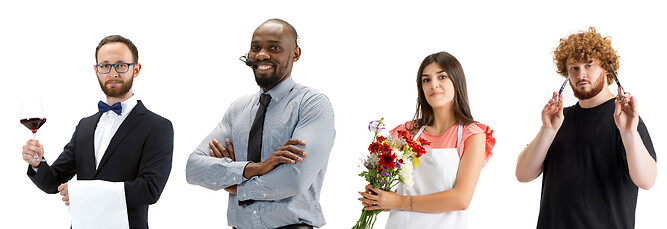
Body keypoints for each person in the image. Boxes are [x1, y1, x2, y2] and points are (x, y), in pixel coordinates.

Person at [185, 18, 335, 229]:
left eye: (274, 47)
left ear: (295, 54)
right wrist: (255, 168)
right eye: (256, 48)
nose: (262, 55)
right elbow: (193, 168)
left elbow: (294, 180)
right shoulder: (238, 108)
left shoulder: (311, 104)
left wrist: (234, 184)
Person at [22, 35, 174, 229]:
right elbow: (53, 181)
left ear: (136, 69)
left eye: (121, 65)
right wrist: (37, 163)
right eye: (104, 66)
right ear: (96, 70)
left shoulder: (157, 126)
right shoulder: (85, 126)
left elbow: (150, 189)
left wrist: (83, 192)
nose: (112, 73)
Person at [514, 27, 657, 228]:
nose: (581, 74)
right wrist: (547, 130)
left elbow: (647, 180)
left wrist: (629, 133)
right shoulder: (558, 120)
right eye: (574, 68)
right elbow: (523, 174)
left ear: (607, 69)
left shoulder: (625, 120)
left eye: (589, 65)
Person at [357, 51, 496, 228]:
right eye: (426, 80)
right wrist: (378, 197)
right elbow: (400, 192)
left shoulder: (472, 135)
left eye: (442, 77)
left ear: (457, 81)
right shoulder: (406, 132)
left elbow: (461, 198)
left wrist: (398, 201)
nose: (433, 85)